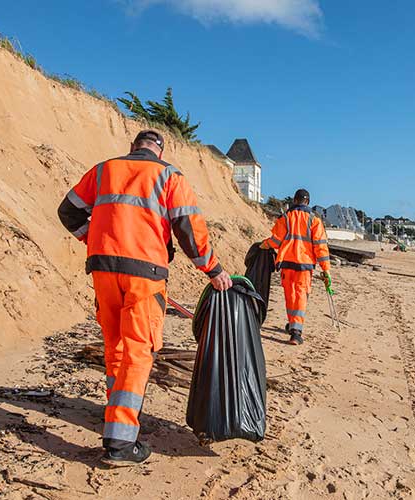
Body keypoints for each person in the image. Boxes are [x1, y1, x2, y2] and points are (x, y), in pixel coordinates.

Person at [57, 130, 232, 466]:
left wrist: (93, 239)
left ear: (132, 147)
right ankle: (121, 440)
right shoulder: (169, 175)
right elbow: (189, 231)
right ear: (160, 150)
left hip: (104, 269)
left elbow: (68, 212)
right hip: (145, 275)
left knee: (115, 344)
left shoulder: (103, 170)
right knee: (139, 349)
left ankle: (115, 415)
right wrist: (213, 270)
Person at [261, 189, 331, 345]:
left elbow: (275, 241)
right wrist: (326, 269)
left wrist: (262, 245)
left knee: (290, 295)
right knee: (300, 295)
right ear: (308, 202)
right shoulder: (314, 221)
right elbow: (321, 247)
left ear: (294, 200)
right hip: (304, 266)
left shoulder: (285, 218)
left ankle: (293, 325)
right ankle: (296, 331)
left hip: (287, 264)